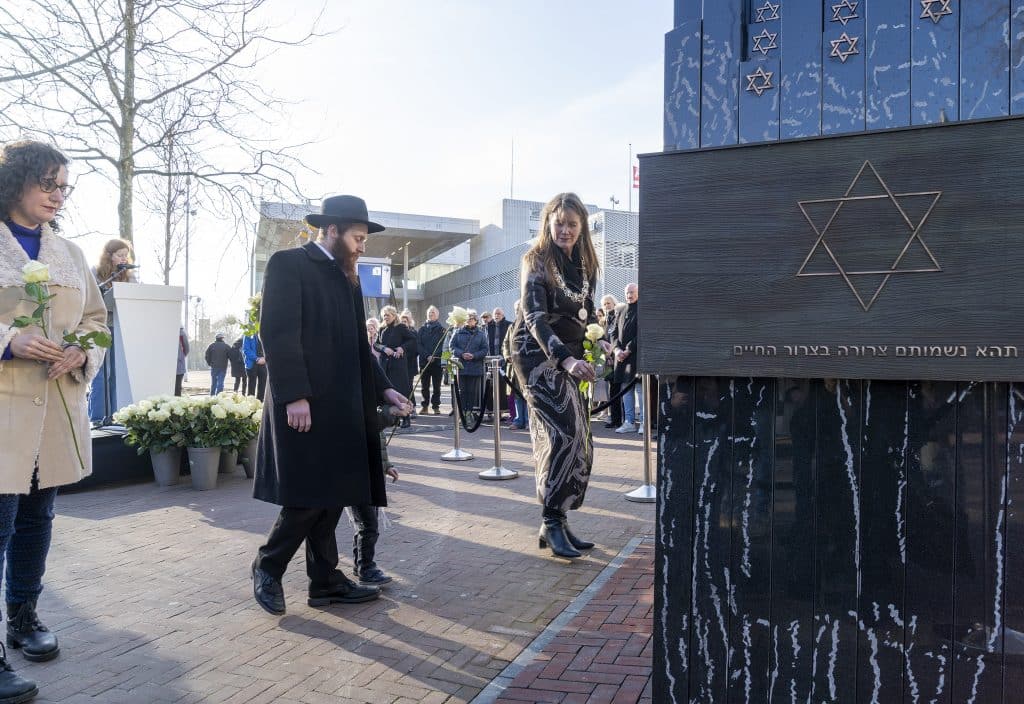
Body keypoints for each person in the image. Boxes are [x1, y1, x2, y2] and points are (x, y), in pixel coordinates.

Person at [250, 194, 411, 616]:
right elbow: (278, 333)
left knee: (335, 492)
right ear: (332, 230)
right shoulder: (289, 264)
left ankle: (325, 582)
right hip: (303, 403)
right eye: (358, 237)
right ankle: (268, 565)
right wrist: (295, 395)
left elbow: (359, 345)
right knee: (308, 496)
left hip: (343, 406)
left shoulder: (347, 276)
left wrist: (384, 389)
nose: (362, 246)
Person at [0, 140, 109, 702]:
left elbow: (95, 318)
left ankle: (23, 617)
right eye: (47, 182)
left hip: (55, 413)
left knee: (37, 519)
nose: (56, 195)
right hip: (3, 415)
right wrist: (8, 340)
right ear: (15, 180)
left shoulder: (67, 250)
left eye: (63, 186)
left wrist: (81, 352)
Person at [508, 192, 611, 560]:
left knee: (580, 435)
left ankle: (558, 519)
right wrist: (566, 360)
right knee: (564, 433)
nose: (565, 230)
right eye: (559, 223)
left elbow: (588, 312)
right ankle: (551, 521)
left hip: (568, 353)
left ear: (581, 226)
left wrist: (605, 340)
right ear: (548, 221)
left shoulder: (585, 263)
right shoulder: (534, 260)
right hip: (535, 352)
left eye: (572, 224)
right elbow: (535, 318)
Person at [375, 306, 417, 428]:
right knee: (388, 390)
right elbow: (377, 344)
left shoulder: (401, 327)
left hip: (398, 363)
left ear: (394, 315)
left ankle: (406, 417)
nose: (385, 317)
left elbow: (412, 340)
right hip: (385, 364)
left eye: (388, 315)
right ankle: (393, 417)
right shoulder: (382, 329)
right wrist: (384, 348)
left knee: (401, 389)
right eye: (384, 315)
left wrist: (402, 348)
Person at [449, 309, 488, 417]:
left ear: (476, 320)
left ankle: (469, 413)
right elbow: (451, 346)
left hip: (475, 367)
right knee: (462, 391)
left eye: (471, 318)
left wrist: (474, 356)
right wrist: (462, 354)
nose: (469, 320)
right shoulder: (457, 331)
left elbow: (485, 349)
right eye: (467, 318)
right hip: (460, 366)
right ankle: (462, 414)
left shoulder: (480, 333)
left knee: (472, 392)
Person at [614, 283, 641, 434]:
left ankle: (643, 422)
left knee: (639, 389)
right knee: (625, 390)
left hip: (636, 356)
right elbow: (613, 333)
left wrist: (629, 349)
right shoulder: (621, 310)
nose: (629, 295)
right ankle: (629, 422)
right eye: (627, 293)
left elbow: (643, 332)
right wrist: (617, 350)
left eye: (632, 292)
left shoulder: (643, 309)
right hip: (622, 358)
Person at [417, 306, 445, 414]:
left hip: (437, 362)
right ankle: (424, 406)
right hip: (424, 362)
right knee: (424, 386)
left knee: (437, 386)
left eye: (433, 312)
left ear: (437, 315)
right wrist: (427, 356)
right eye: (429, 312)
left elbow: (443, 345)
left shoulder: (442, 330)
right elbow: (418, 344)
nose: (431, 314)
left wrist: (434, 356)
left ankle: (436, 406)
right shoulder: (422, 329)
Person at [505, 299, 529, 430]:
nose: (517, 312)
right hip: (513, 368)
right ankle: (519, 420)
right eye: (515, 310)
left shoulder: (530, 324)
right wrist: (507, 355)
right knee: (517, 395)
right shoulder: (511, 326)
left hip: (526, 366)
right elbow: (505, 344)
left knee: (528, 395)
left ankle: (528, 421)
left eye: (519, 309)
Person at [600, 295, 622, 429]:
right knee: (611, 391)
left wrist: (612, 352)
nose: (607, 306)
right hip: (607, 360)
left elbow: (617, 338)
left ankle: (620, 419)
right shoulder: (604, 321)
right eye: (604, 304)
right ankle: (614, 418)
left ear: (614, 304)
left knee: (619, 391)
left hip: (617, 359)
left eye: (609, 303)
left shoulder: (617, 318)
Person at [486, 307, 511, 421]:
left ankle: (503, 411)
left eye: (499, 314)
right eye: (495, 314)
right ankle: (492, 411)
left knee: (503, 387)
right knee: (491, 387)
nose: (497, 315)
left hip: (504, 361)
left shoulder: (508, 325)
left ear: (503, 314)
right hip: (490, 361)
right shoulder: (488, 327)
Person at [400, 310, 418, 412]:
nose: (403, 323)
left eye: (405, 321)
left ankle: (413, 406)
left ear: (409, 322)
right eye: (401, 321)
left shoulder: (413, 333)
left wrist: (404, 352)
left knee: (409, 387)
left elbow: (415, 349)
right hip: (400, 365)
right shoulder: (398, 333)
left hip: (410, 364)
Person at [243, 333, 267, 401]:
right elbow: (246, 350)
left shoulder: (264, 332)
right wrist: (257, 359)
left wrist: (265, 358)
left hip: (263, 363)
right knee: (251, 386)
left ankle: (260, 403)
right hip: (252, 364)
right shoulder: (248, 334)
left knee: (263, 386)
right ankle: (250, 405)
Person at [175, 326, 189, 396]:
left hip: (177, 364)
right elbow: (186, 349)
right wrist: (181, 357)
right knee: (177, 386)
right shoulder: (182, 333)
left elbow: (186, 348)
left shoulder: (181, 333)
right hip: (179, 364)